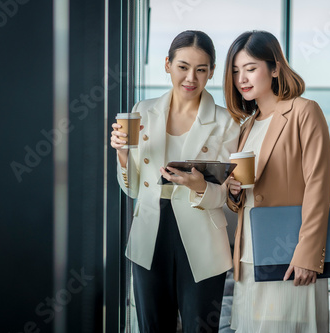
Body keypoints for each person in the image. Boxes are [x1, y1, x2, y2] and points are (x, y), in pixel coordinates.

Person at [110, 30, 239, 332]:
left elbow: (229, 196)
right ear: (167, 64)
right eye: (183, 66)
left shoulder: (226, 122)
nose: (190, 77)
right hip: (149, 234)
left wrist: (200, 187)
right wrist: (121, 155)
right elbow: (131, 188)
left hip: (202, 238)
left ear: (211, 72)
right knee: (152, 326)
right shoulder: (143, 111)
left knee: (200, 327)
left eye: (201, 69)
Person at [224, 31, 330, 333]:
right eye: (235, 71)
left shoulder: (304, 112)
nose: (241, 78)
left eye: (250, 68)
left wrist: (308, 254)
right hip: (249, 257)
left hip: (291, 255)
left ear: (274, 68)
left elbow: (318, 187)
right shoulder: (247, 126)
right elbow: (248, 195)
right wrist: (234, 191)